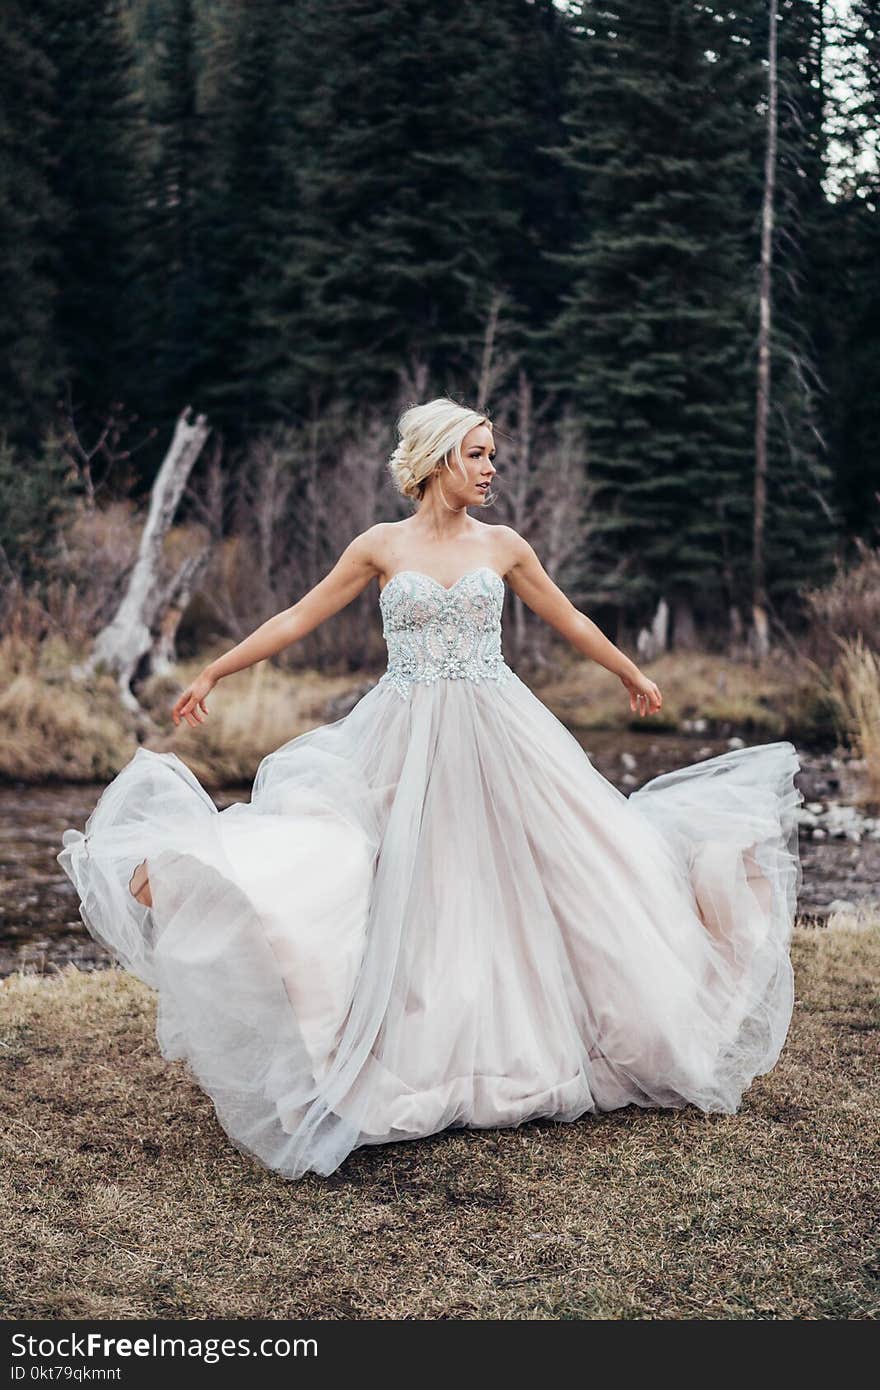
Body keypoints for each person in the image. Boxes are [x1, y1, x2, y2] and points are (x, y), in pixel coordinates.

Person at [58, 396, 803, 1182]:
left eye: (492, 455)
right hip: (403, 735)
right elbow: (298, 616)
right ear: (440, 458)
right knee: (385, 877)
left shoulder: (505, 546)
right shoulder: (380, 546)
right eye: (478, 455)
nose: (491, 470)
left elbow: (568, 617)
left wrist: (631, 672)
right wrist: (214, 669)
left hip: (499, 730)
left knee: (552, 873)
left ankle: (536, 1041)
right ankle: (349, 1004)